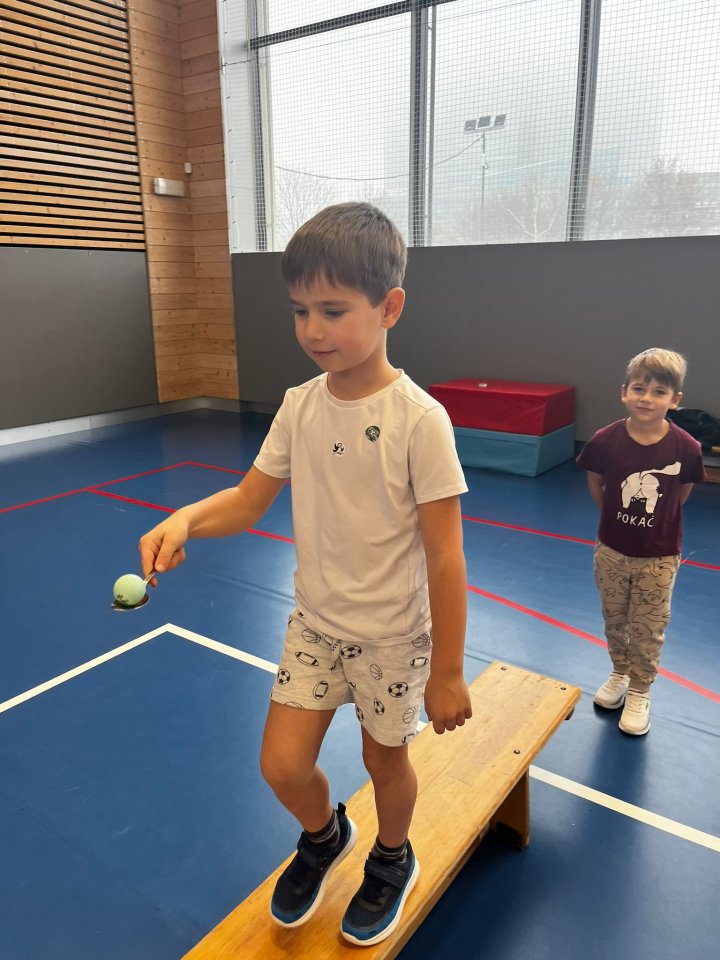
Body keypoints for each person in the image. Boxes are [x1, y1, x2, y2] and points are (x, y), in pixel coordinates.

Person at [138, 203, 471, 946]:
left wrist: (447, 671)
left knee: (384, 759)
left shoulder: (420, 420)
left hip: (391, 637)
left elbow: (446, 556)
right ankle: (325, 836)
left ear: (390, 308)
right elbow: (248, 501)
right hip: (316, 626)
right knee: (283, 766)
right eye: (300, 311)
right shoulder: (299, 406)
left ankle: (393, 855)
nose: (313, 330)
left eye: (333, 310)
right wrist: (186, 519)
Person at [577, 347, 705, 736]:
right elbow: (597, 483)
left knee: (649, 625)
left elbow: (680, 493)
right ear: (624, 393)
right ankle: (619, 672)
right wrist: (614, 520)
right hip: (611, 550)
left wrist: (656, 521)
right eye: (639, 389)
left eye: (658, 392)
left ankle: (640, 688)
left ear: (675, 400)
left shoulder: (686, 448)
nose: (647, 398)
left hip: (658, 556)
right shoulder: (605, 440)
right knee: (615, 618)